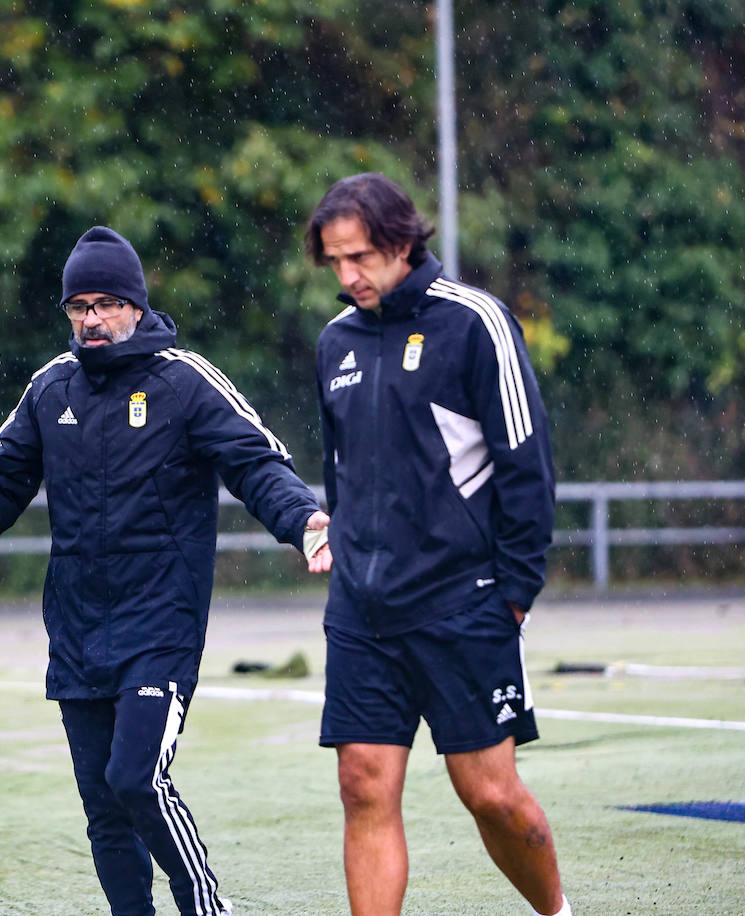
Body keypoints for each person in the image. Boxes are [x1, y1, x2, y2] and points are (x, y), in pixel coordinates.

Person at [0, 225, 330, 916]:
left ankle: (207, 907)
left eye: (106, 304)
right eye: (78, 306)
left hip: (161, 625)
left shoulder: (186, 381)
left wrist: (302, 522)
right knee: (103, 806)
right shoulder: (49, 390)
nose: (91, 319)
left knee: (137, 780)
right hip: (78, 627)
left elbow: (255, 461)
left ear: (137, 308)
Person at [303, 173, 570, 916]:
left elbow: (528, 467)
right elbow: (343, 468)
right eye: (334, 262)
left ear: (401, 241)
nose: (347, 276)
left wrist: (514, 596)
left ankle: (557, 913)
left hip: (464, 605)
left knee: (488, 793)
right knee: (363, 782)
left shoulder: (475, 323)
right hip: (361, 612)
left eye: (359, 257)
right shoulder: (336, 343)